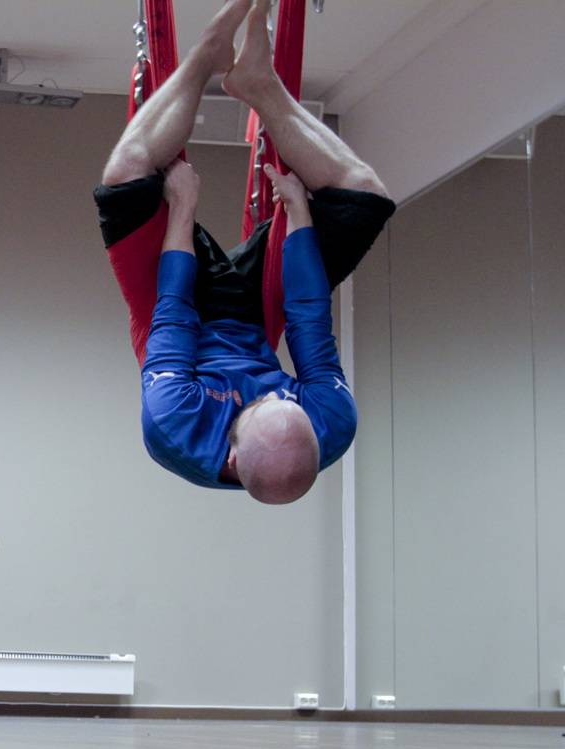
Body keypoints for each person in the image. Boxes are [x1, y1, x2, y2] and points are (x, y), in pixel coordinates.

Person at [95, 0, 395, 502]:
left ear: (230, 456)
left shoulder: (174, 425)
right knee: (365, 197)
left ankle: (205, 57)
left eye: (266, 402)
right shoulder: (332, 426)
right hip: (262, 316)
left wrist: (182, 207)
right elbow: (308, 321)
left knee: (125, 174)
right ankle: (259, 85)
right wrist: (298, 213)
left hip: (172, 316)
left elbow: (174, 314)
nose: (277, 391)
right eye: (285, 396)